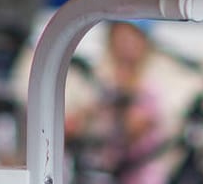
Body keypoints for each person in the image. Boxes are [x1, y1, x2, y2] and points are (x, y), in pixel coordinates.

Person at [64, 21, 174, 184]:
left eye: (132, 37)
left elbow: (132, 130)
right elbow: (70, 127)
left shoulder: (151, 87)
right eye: (120, 35)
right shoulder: (98, 81)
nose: (126, 44)